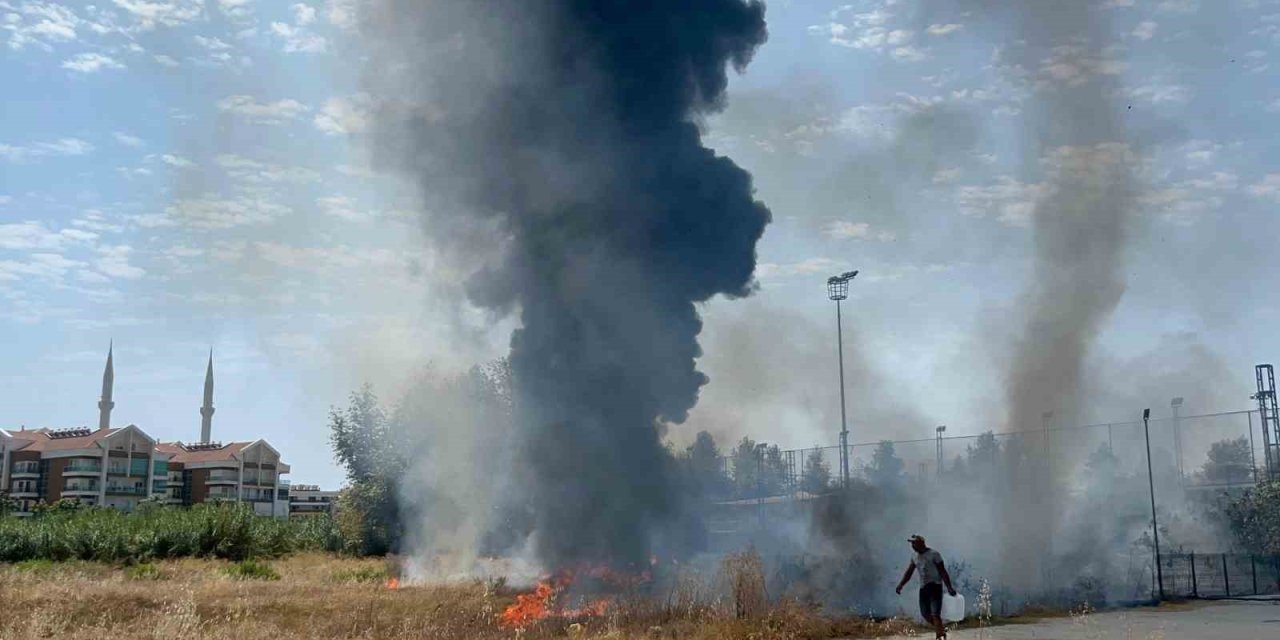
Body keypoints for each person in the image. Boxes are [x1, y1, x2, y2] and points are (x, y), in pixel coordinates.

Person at [895, 534, 957, 640]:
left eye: (914, 543)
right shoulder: (914, 556)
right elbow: (909, 572)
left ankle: (940, 636)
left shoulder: (934, 554)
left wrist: (949, 587)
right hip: (924, 588)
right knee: (925, 614)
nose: (913, 546)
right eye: (912, 543)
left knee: (935, 614)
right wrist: (901, 585)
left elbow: (943, 572)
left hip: (935, 586)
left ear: (921, 543)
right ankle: (941, 629)